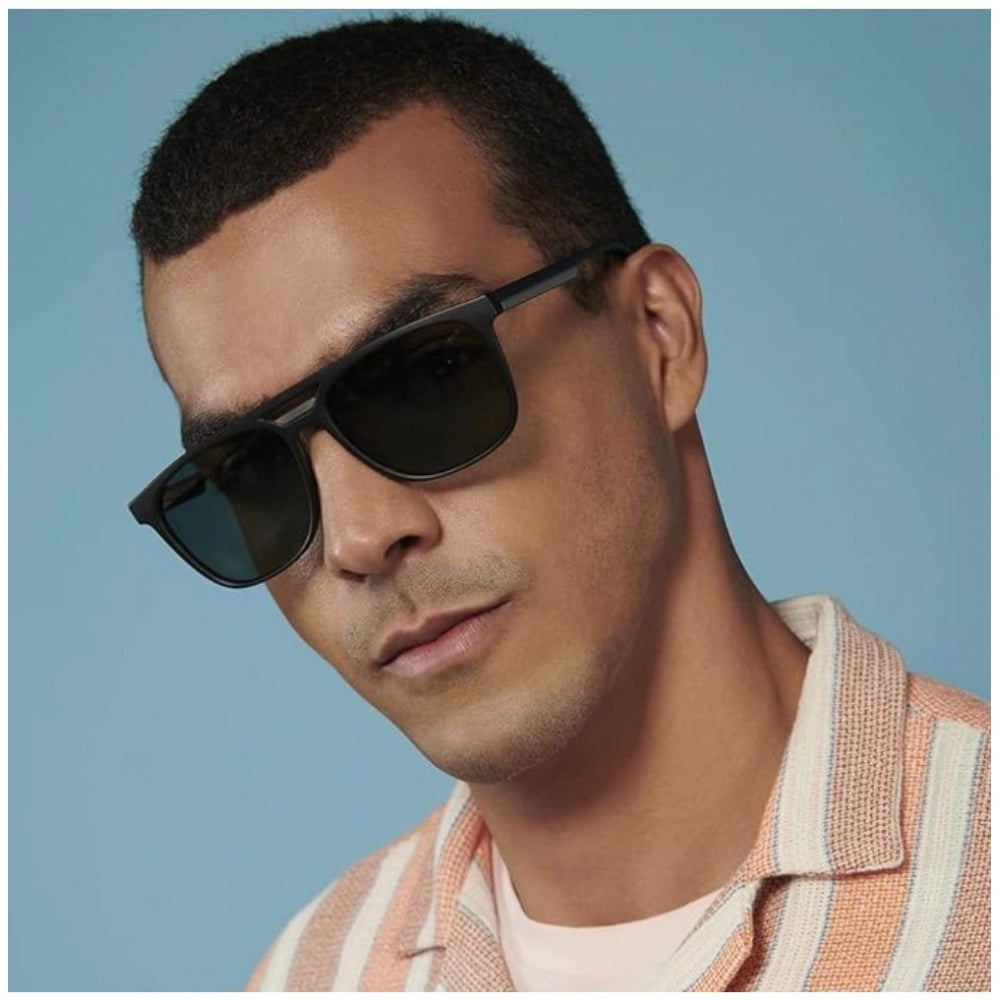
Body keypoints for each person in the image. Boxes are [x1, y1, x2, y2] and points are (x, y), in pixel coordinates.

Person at [126, 15, 989, 992]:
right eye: (253, 470)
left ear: (657, 334)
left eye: (425, 379)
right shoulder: (312, 976)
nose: (357, 538)